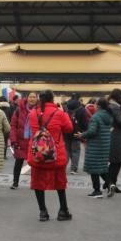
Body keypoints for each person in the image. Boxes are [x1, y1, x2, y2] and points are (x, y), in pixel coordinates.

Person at [27, 90, 73, 221]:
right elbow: (69, 128)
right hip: (55, 154)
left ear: (39, 99)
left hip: (38, 153)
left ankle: (43, 212)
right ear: (52, 99)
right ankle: (63, 210)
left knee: (37, 183)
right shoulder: (59, 113)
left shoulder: (32, 114)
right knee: (60, 182)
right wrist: (63, 111)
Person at [75, 97, 112, 198]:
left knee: (93, 168)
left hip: (95, 145)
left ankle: (97, 191)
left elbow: (92, 132)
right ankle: (110, 184)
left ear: (98, 106)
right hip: (104, 145)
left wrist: (81, 135)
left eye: (95, 104)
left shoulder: (96, 117)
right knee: (102, 167)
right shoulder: (108, 116)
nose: (94, 106)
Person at [9, 92, 38, 189]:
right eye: (30, 97)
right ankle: (15, 182)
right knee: (18, 162)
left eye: (34, 97)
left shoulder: (40, 110)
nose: (32, 99)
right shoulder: (19, 110)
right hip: (20, 140)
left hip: (34, 141)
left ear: (37, 99)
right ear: (27, 98)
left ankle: (35, 183)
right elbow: (13, 125)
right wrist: (13, 139)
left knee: (35, 164)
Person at [106, 88, 121, 196]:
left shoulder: (109, 105)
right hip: (117, 137)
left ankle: (111, 183)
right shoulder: (115, 107)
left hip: (112, 136)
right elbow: (120, 121)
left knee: (114, 162)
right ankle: (111, 183)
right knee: (116, 162)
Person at [65, 94, 88, 174]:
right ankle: (73, 169)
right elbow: (85, 123)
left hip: (66, 132)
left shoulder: (66, 106)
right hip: (77, 133)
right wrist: (84, 131)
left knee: (67, 150)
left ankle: (63, 166)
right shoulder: (81, 109)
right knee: (75, 151)